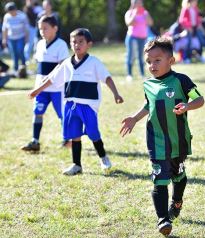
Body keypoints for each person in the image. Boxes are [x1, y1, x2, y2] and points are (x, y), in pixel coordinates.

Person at [120, 37, 204, 236]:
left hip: (178, 141)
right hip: (157, 142)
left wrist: (187, 106)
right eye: (149, 61)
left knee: (179, 175)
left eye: (157, 60)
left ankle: (177, 202)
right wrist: (134, 118)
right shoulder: (148, 84)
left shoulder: (181, 80)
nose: (152, 65)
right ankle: (163, 220)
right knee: (159, 179)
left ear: (171, 61)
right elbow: (148, 105)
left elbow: (199, 99)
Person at [28, 28, 124, 175]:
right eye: (74, 42)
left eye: (81, 42)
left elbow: (107, 78)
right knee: (74, 135)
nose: (77, 45)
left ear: (89, 44)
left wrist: (116, 94)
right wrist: (37, 90)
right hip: (70, 105)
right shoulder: (66, 63)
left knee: (93, 133)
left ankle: (103, 157)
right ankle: (76, 165)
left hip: (88, 105)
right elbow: (52, 80)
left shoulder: (94, 62)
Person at [21, 15, 69, 152]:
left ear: (55, 28)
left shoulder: (61, 45)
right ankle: (35, 141)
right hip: (41, 89)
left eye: (45, 28)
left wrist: (49, 78)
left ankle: (68, 139)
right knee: (38, 112)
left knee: (62, 114)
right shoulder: (40, 44)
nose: (42, 31)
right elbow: (39, 65)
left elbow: (61, 66)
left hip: (57, 88)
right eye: (40, 29)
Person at [124, 0, 153, 81]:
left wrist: (145, 14)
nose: (140, 4)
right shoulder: (129, 12)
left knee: (141, 56)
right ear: (133, 4)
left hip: (143, 38)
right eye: (138, 2)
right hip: (132, 37)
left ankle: (142, 74)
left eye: (141, 2)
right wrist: (135, 13)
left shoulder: (145, 13)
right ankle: (129, 74)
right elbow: (129, 23)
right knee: (131, 56)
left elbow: (150, 23)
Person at [2, 2, 29, 77]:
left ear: (15, 9)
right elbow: (5, 28)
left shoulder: (22, 16)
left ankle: (23, 68)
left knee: (20, 51)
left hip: (20, 37)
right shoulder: (7, 17)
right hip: (11, 38)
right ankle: (16, 70)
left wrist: (27, 38)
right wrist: (4, 39)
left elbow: (26, 28)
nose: (11, 13)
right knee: (14, 54)